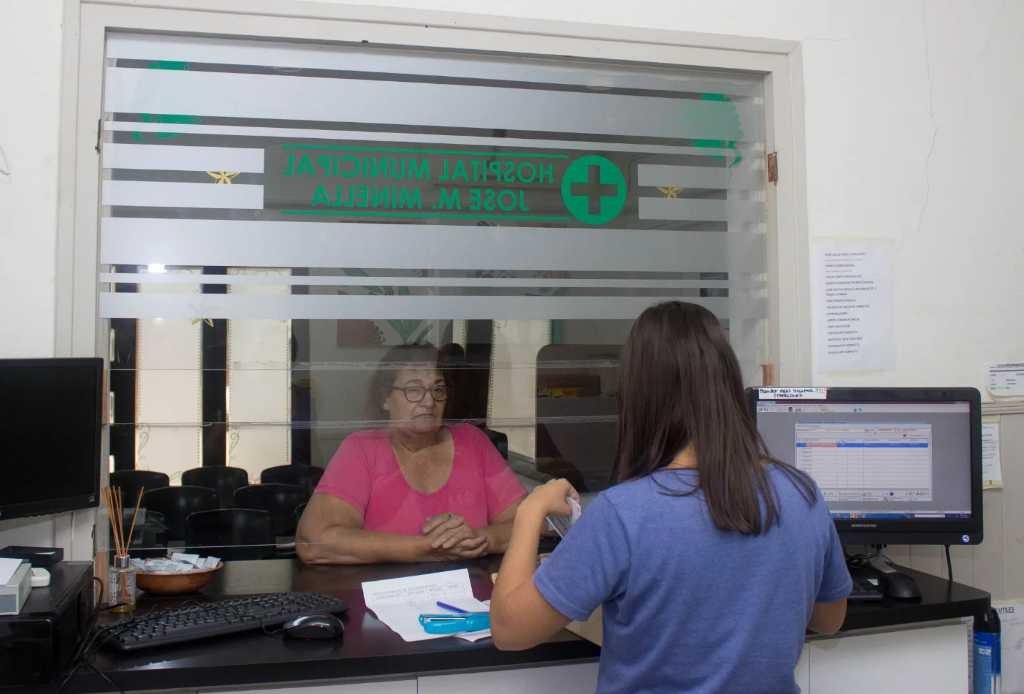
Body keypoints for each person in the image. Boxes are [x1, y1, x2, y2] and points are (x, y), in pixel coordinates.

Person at [491, 302, 852, 693]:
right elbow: (830, 618)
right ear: (728, 384)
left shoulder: (624, 513)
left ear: (638, 395)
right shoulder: (801, 494)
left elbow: (510, 630)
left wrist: (531, 509)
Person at [296, 344, 526, 565]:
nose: (428, 402)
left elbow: (530, 521)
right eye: (413, 390)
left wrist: (481, 539)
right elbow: (314, 542)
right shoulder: (362, 449)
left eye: (438, 389)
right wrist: (425, 549)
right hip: (385, 598)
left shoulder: (473, 442)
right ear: (385, 398)